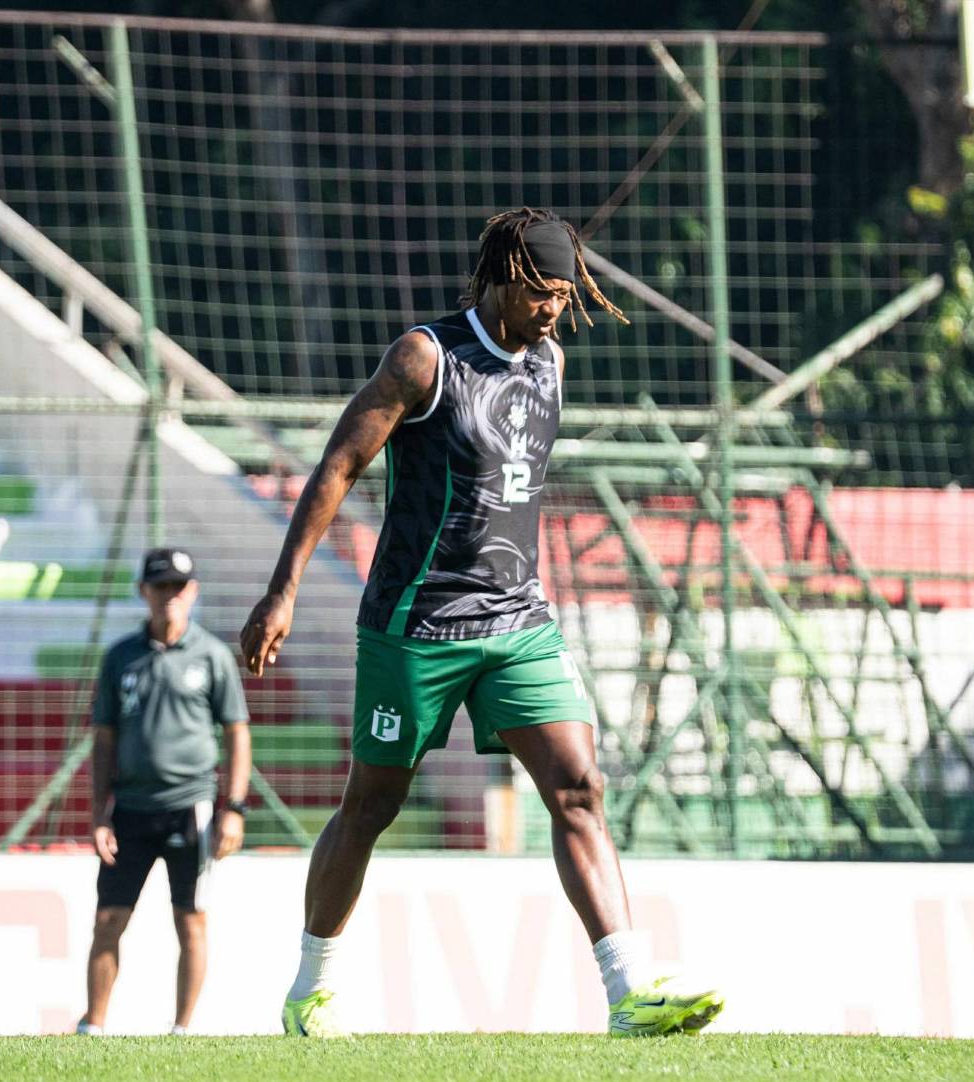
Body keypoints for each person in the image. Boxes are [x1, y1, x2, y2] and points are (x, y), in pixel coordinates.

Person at [241, 208, 724, 1038]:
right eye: (543, 293)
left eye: (566, 297)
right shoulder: (424, 358)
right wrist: (282, 587)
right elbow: (341, 463)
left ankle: (628, 992)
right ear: (505, 276)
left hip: (517, 621)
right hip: (416, 624)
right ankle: (308, 989)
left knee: (580, 786)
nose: (554, 311)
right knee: (371, 806)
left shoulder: (552, 363)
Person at [77, 547, 252, 1036]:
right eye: (160, 587)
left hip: (190, 807)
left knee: (191, 920)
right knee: (109, 919)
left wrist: (232, 808)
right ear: (143, 592)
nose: (169, 597)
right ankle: (94, 1026)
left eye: (178, 587)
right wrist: (98, 813)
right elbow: (104, 737)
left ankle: (183, 1029)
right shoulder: (121, 657)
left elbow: (237, 731)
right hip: (130, 810)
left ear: (192, 592)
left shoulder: (213, 656)